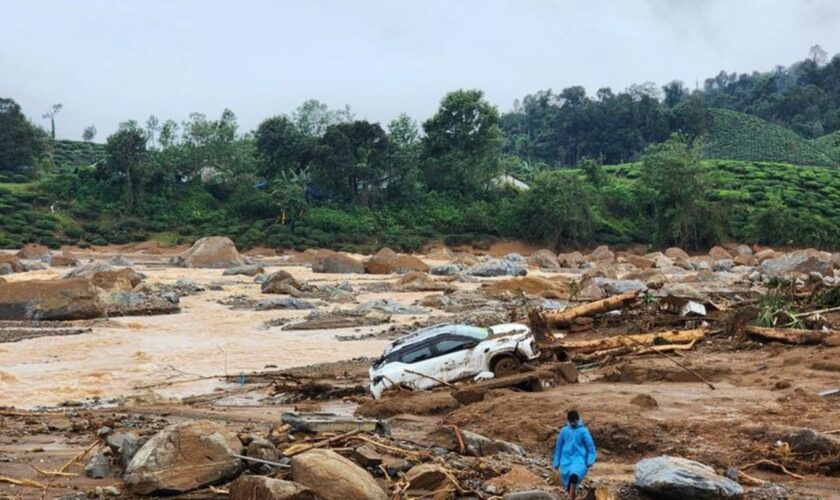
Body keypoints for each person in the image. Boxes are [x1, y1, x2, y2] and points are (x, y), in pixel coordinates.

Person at [553, 410, 596, 500]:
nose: (573, 423)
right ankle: (572, 495)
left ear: (578, 420)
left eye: (575, 421)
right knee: (569, 480)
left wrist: (590, 460)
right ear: (568, 421)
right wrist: (556, 462)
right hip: (565, 460)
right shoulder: (564, 431)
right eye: (571, 421)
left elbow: (590, 447)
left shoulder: (583, 431)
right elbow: (558, 447)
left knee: (574, 474)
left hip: (579, 459)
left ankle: (571, 496)